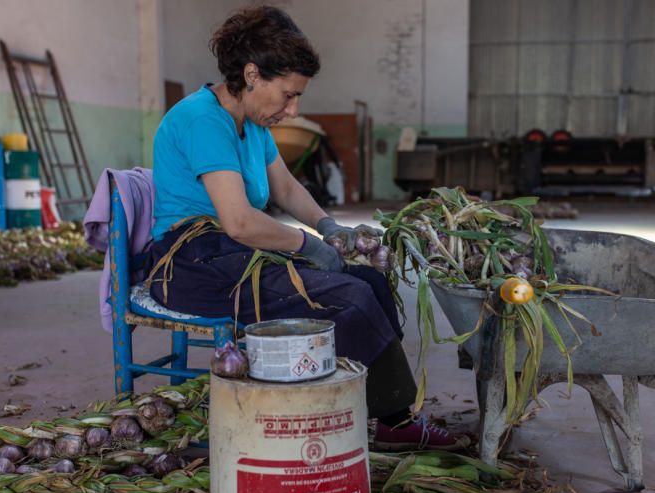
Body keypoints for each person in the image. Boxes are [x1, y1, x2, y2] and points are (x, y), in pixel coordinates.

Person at [148, 5, 463, 450]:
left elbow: (286, 187)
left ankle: (390, 415)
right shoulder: (203, 119)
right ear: (252, 74)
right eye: (288, 95)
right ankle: (372, 419)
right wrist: (310, 247)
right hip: (192, 264)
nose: (292, 109)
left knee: (370, 281)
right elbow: (239, 221)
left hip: (231, 256)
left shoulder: (252, 123)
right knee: (346, 297)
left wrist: (328, 226)